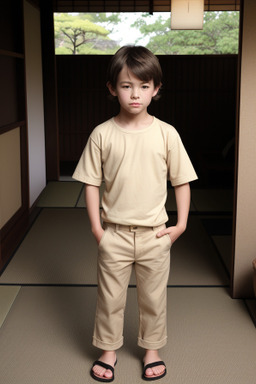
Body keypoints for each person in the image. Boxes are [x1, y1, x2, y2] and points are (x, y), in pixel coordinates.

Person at [73, 45, 198, 382]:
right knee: (109, 297)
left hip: (155, 234)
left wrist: (180, 225)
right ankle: (108, 349)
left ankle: (152, 349)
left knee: (154, 298)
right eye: (127, 85)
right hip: (113, 233)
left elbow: (182, 181)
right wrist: (98, 230)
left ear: (156, 89)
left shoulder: (166, 133)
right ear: (112, 88)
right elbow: (90, 183)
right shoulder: (102, 134)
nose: (135, 94)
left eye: (144, 86)